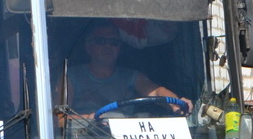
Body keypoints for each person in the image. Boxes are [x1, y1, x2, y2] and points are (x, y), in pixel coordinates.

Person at [62, 22, 192, 117]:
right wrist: (89, 119)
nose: (108, 46)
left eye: (114, 42)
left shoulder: (131, 76)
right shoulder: (71, 77)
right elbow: (58, 119)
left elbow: (157, 91)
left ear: (120, 48)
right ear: (88, 46)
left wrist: (176, 103)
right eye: (100, 41)